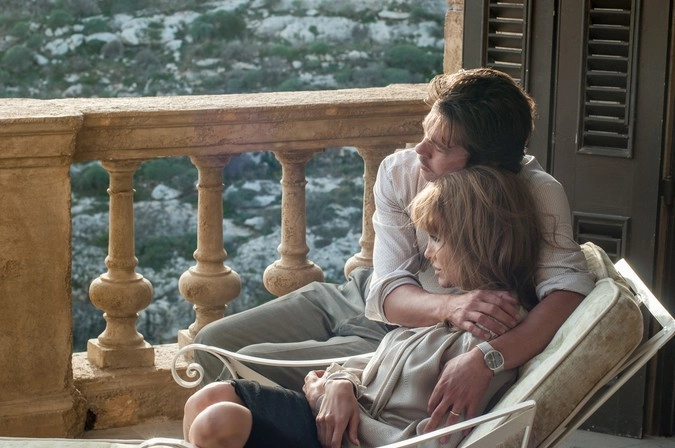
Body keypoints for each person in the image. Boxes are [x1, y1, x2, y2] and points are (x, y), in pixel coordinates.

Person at [193, 67, 596, 427]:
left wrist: (488, 358)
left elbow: (567, 292)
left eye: (440, 146)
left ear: (486, 165)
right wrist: (452, 306)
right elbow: (386, 290)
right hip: (369, 294)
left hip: (410, 337)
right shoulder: (401, 172)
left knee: (243, 365)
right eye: (425, 133)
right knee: (211, 343)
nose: (420, 150)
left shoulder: (536, 194)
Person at [183, 166, 545, 448]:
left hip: (354, 437)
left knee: (219, 423)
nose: (427, 251)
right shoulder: (456, 311)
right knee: (209, 398)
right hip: (341, 414)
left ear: (473, 244)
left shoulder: (486, 338)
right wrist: (339, 382)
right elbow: (378, 367)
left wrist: (335, 404)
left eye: (437, 238)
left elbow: (435, 440)